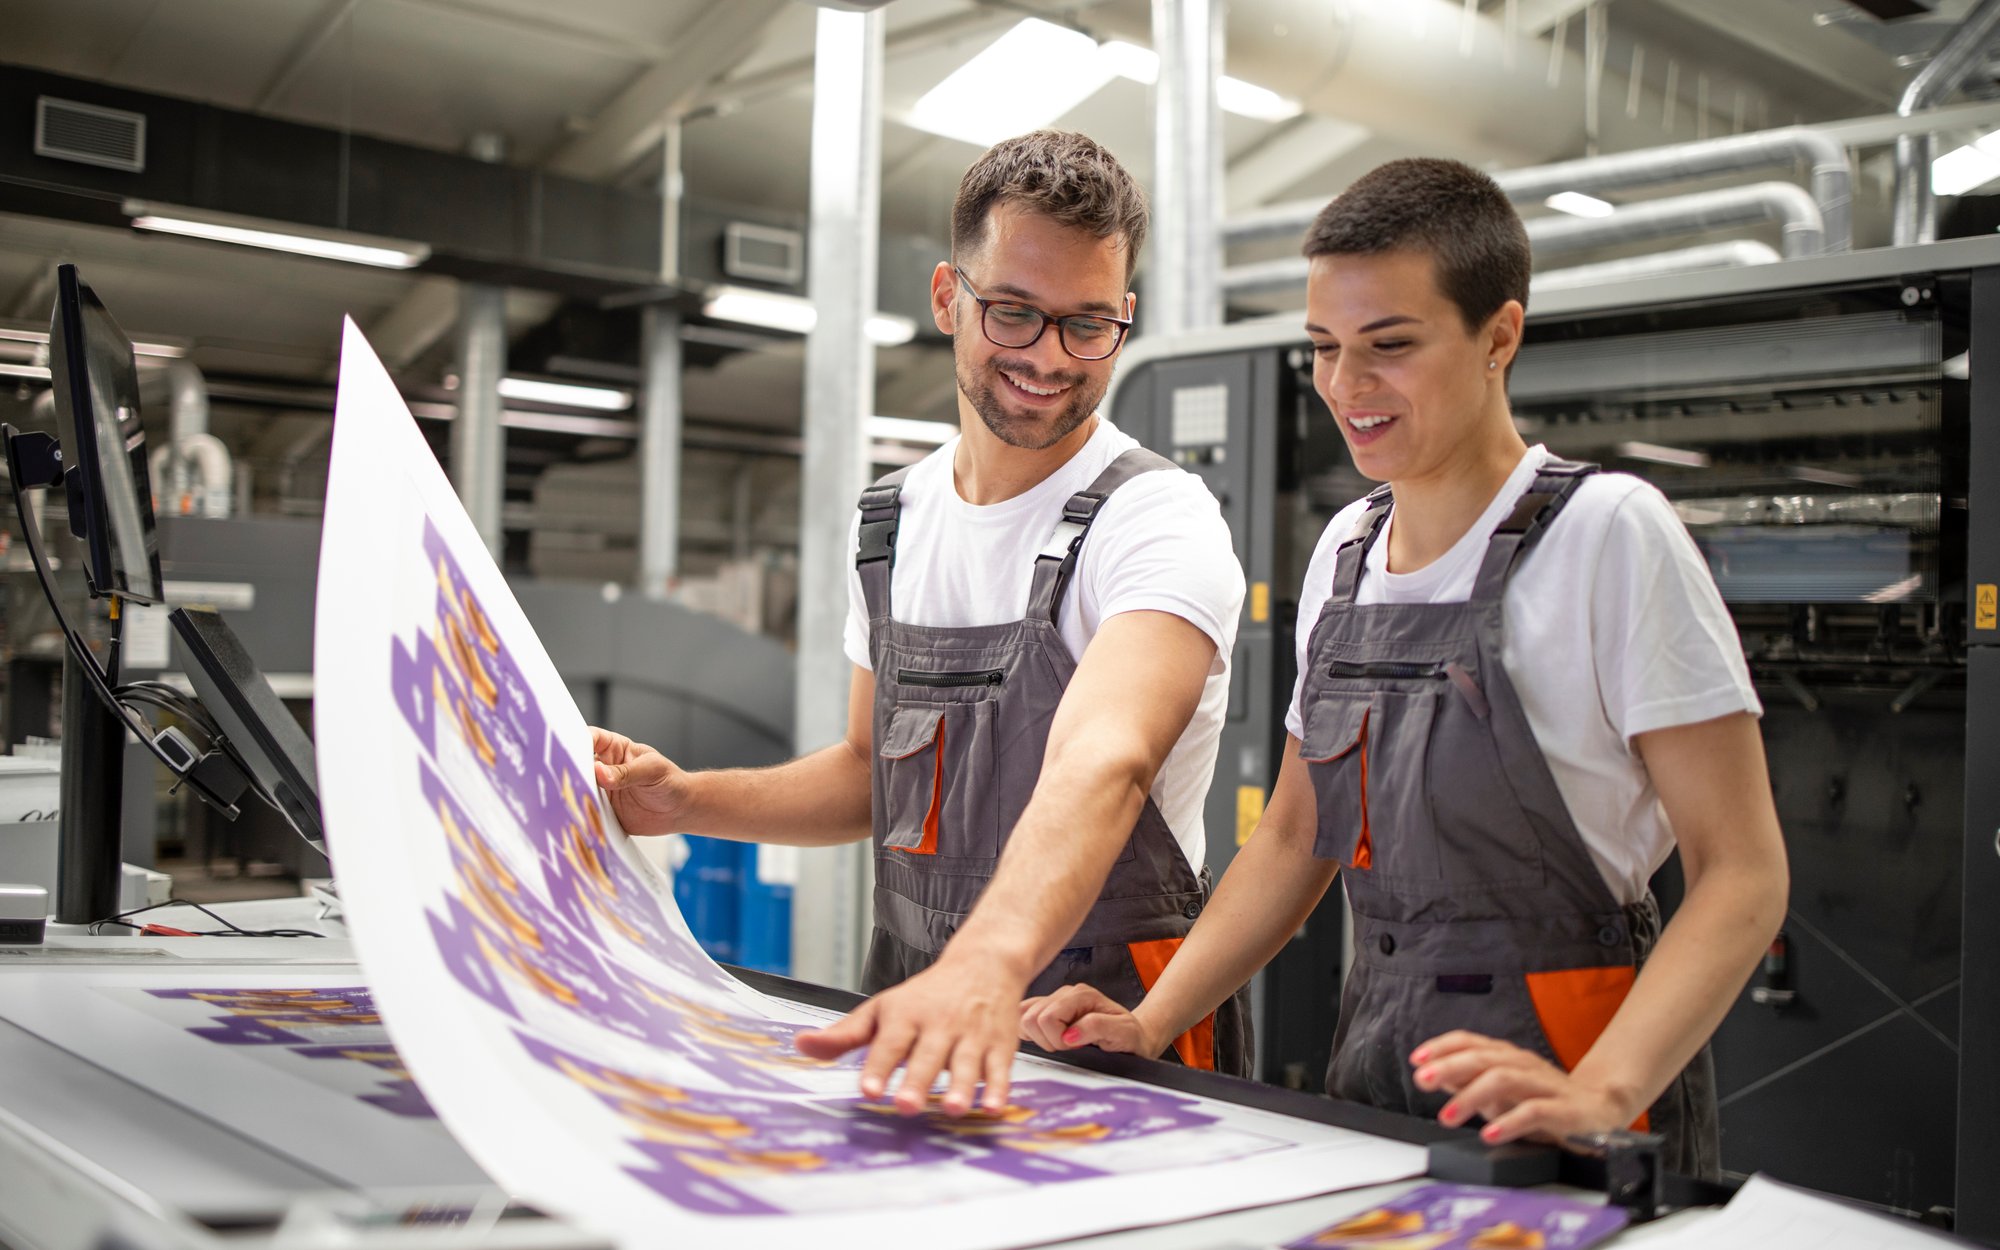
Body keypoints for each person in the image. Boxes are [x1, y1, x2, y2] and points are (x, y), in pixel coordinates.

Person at [1019, 157, 1788, 1176]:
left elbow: (1741, 869)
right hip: (1376, 1068)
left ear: (1496, 338)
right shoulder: (1345, 552)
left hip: (1569, 1081)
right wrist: (1150, 1020)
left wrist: (1602, 1089)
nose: (1345, 386)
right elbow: (1295, 836)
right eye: (1325, 349)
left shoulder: (1607, 533)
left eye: (1388, 347)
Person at [591, 129, 1252, 1117]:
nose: (1046, 356)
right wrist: (687, 799)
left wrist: (987, 961)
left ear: (1123, 317)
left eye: (1086, 325)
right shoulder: (889, 524)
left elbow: (1104, 758)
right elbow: (870, 770)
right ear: (948, 296)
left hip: (1105, 1011)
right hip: (915, 989)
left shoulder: (1156, 518)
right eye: (1013, 313)